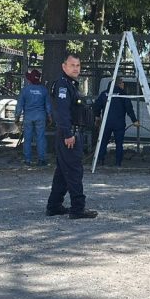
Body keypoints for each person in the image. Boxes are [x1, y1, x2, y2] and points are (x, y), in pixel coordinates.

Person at [46, 54, 97, 219]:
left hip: (70, 132)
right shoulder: (63, 85)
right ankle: (78, 208)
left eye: (78, 65)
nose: (76, 68)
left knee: (62, 171)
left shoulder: (70, 85)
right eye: (72, 65)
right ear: (64, 66)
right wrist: (68, 134)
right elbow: (62, 112)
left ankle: (54, 206)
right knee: (75, 171)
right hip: (69, 133)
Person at [94, 77, 139, 166]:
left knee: (103, 141)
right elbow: (129, 109)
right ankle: (118, 162)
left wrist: (97, 117)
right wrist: (134, 120)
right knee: (119, 143)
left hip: (106, 123)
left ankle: (100, 160)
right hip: (119, 123)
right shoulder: (123, 94)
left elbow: (97, 106)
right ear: (119, 84)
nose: (123, 85)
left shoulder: (104, 94)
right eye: (122, 83)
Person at [15, 69, 52, 167]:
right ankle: (41, 160)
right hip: (41, 116)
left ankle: (27, 160)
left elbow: (19, 105)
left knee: (27, 138)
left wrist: (17, 117)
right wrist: (49, 116)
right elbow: (48, 105)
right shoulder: (43, 90)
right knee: (40, 138)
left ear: (30, 79)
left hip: (28, 116)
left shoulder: (25, 90)